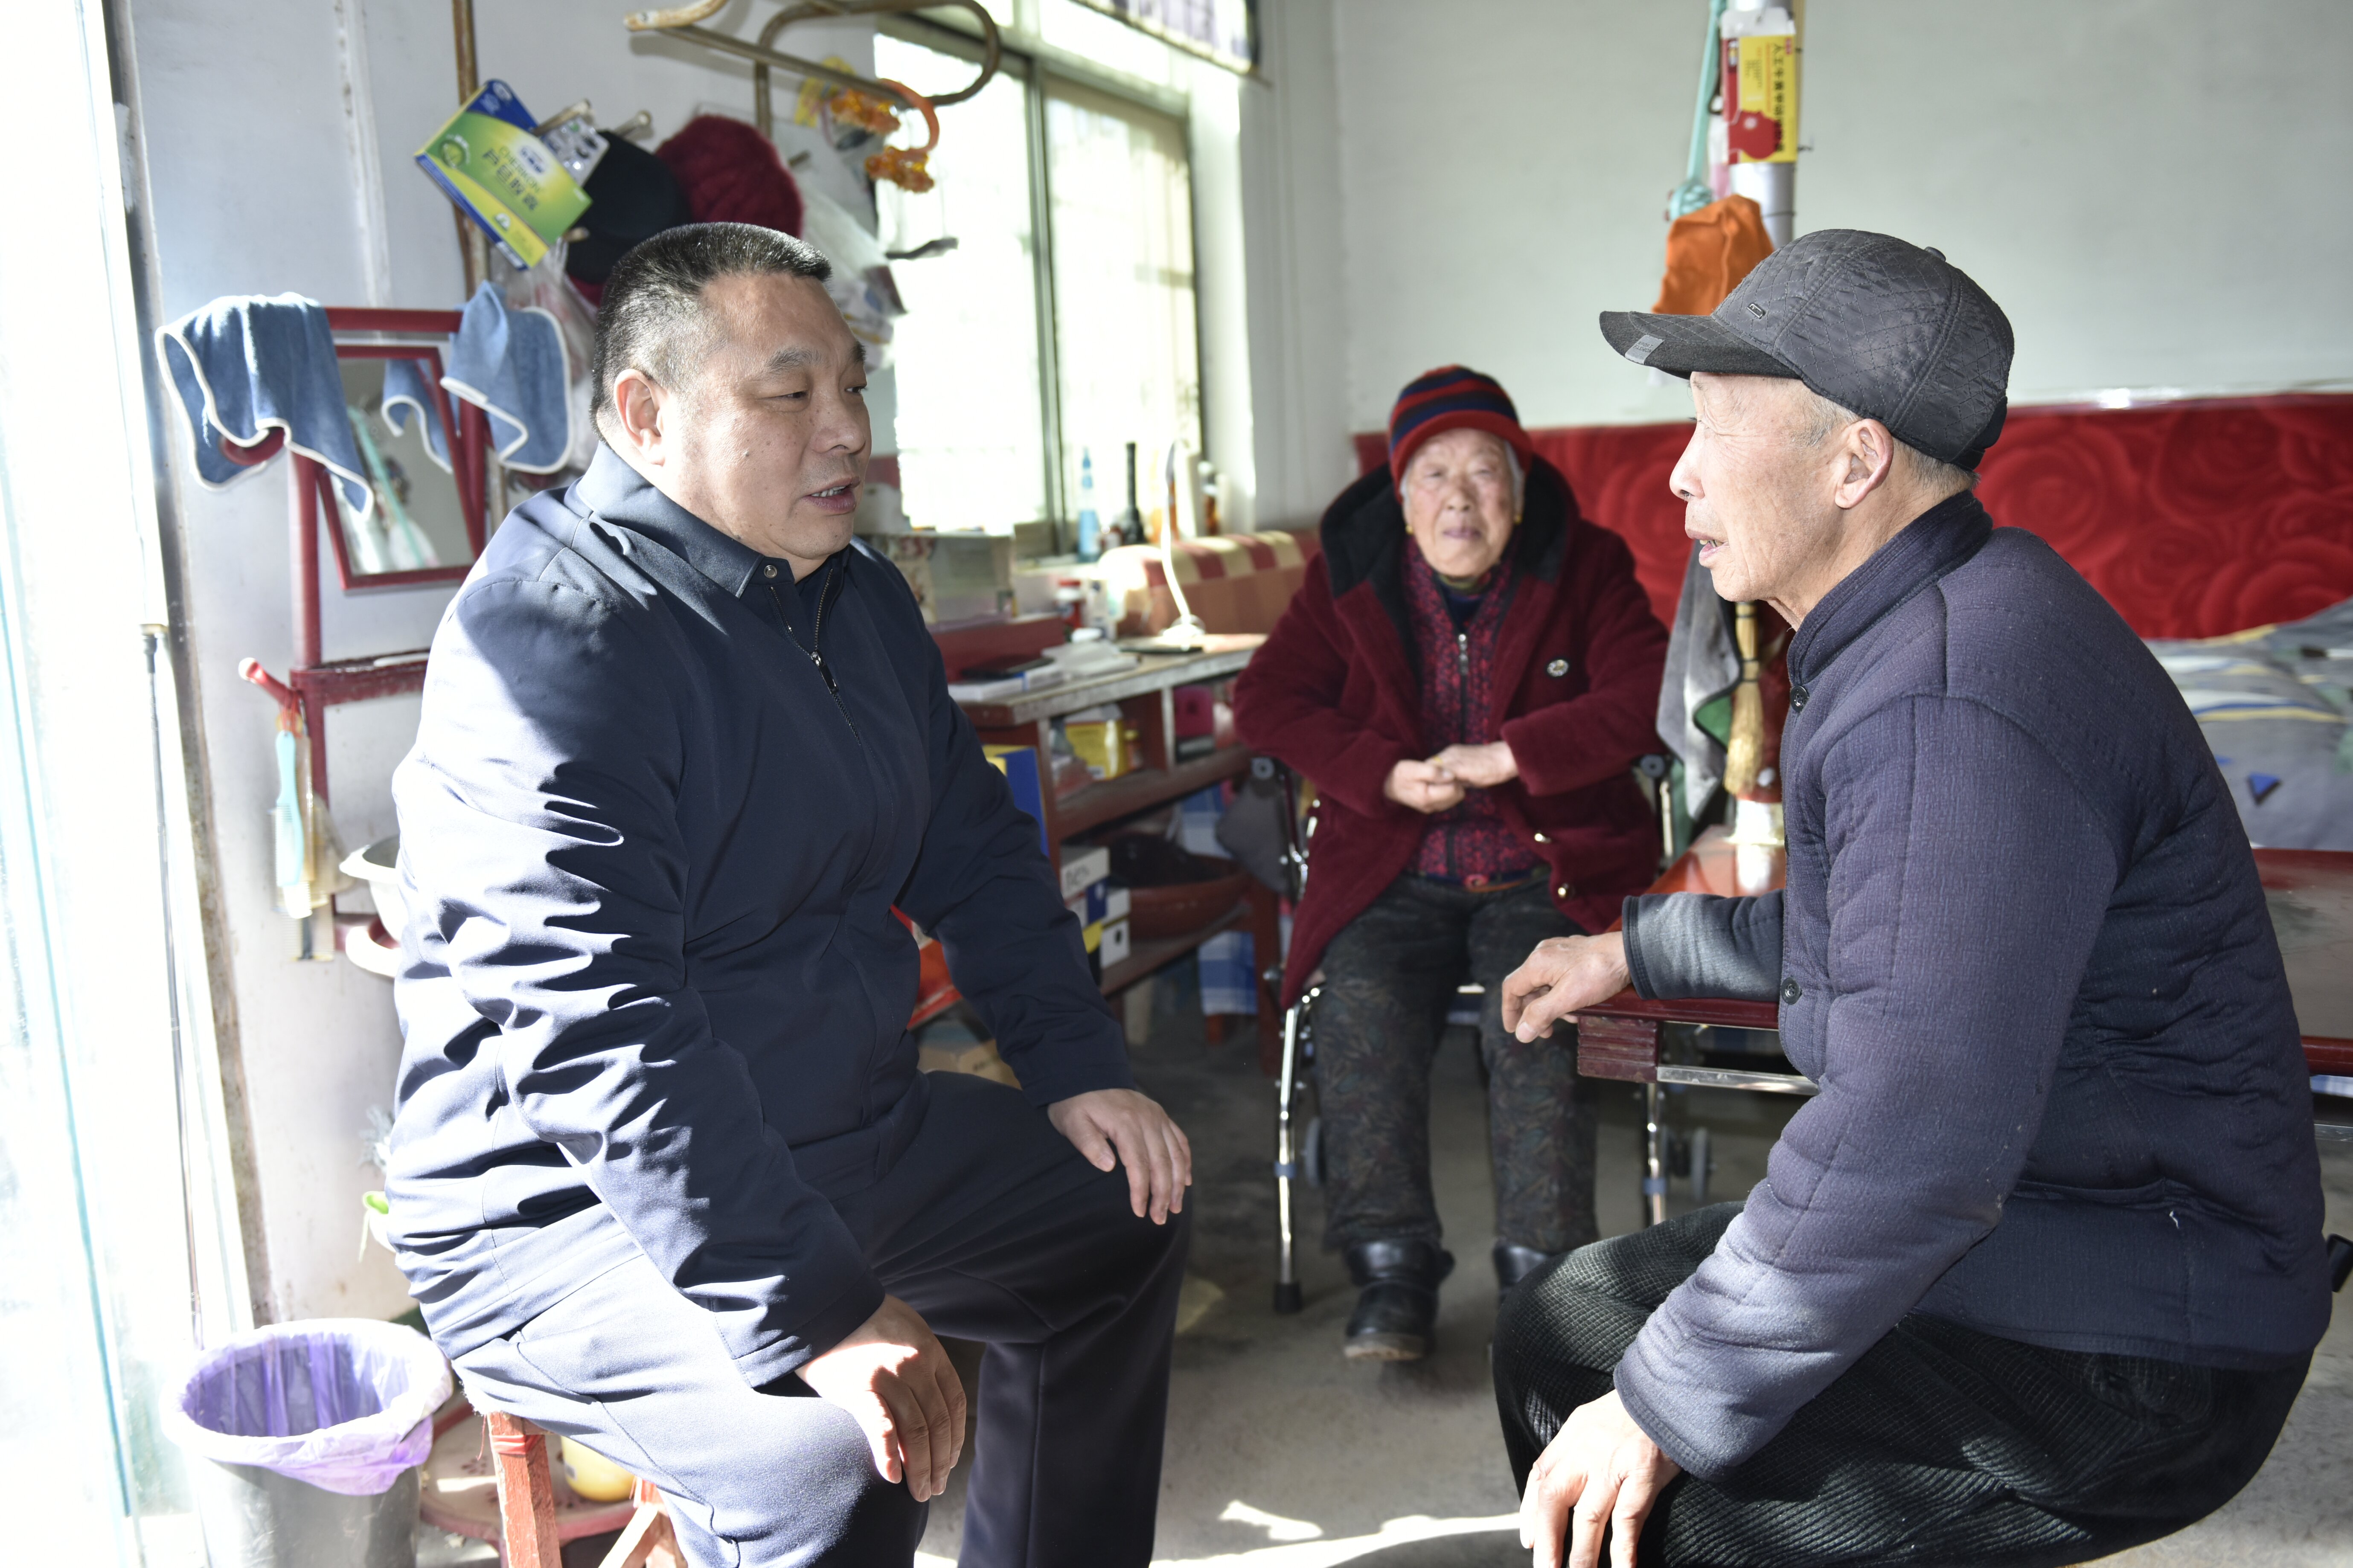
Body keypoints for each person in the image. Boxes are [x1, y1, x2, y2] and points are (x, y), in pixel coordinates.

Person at [1493, 229, 2330, 1568]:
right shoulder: (1927, 619)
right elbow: (1885, 941)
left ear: (1855, 460)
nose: (1679, 469)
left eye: (1714, 422)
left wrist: (1662, 1402)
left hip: (2139, 1326)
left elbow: (1911, 1135)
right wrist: (1632, 945)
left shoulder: (1948, 695)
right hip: (2047, 1218)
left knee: (1669, 1504)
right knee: (1563, 1324)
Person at [385, 224, 1193, 1568]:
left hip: (841, 1131)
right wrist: (814, 1308)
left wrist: (1074, 1061)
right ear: (646, 412)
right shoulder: (549, 638)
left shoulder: (853, 599)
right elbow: (597, 1028)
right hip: (574, 1214)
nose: (847, 432)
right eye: (789, 393)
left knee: (1123, 1212)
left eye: (853, 387)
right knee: (833, 1458)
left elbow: (974, 849)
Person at [1233, 367, 1669, 1361]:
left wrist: (1511, 754)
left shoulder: (1586, 563)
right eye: (1434, 473)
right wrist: (1378, 772)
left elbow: (1648, 693)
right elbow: (1265, 699)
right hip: (1393, 867)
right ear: (1401, 496)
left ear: (1518, 489)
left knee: (1540, 1016)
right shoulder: (1350, 572)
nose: (1459, 497)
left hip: (1545, 867)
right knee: (1361, 1010)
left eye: (1484, 472)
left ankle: (1545, 1278)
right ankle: (1391, 1266)